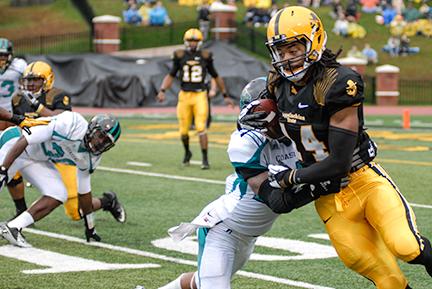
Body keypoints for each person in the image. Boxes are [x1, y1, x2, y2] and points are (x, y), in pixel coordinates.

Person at [239, 6, 432, 289]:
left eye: (294, 48)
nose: (288, 58)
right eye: (281, 51)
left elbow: (339, 162)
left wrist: (290, 178)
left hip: (363, 181)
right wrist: (251, 115)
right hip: (329, 197)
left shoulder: (337, 83)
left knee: (406, 246)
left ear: (314, 41)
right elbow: (263, 110)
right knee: (386, 278)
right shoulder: (277, 84)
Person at [157, 77, 329, 289]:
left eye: (265, 120)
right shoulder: (246, 141)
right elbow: (277, 202)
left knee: (200, 282)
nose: (264, 128)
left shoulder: (301, 134)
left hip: (248, 237)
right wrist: (318, 187)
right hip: (223, 230)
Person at [7, 61, 126, 224]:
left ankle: (107, 201)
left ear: (47, 80)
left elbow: (56, 119)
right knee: (11, 167)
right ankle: (20, 212)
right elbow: (15, 127)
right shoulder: (18, 100)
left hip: (64, 153)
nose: (31, 84)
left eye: (36, 79)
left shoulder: (57, 96)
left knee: (75, 211)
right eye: (28, 80)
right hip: (36, 150)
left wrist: (37, 106)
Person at [0, 111, 121, 247]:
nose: (100, 143)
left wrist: (90, 226)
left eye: (106, 142)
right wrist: (3, 168)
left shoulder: (92, 158)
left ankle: (13, 227)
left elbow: (84, 192)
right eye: (100, 136)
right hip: (15, 143)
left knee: (58, 193)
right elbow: (26, 139)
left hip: (36, 160)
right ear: (92, 128)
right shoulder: (72, 124)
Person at [157, 28, 234, 169]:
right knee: (183, 131)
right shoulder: (179, 55)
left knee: (201, 128)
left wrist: (225, 95)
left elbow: (216, 76)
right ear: (186, 42)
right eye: (190, 41)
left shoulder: (206, 56)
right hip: (184, 95)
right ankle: (187, 153)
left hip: (200, 95)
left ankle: (205, 159)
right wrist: (162, 90)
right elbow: (171, 75)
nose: (192, 44)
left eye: (195, 41)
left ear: (200, 42)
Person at [0, 38, 27, 131]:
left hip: (13, 109)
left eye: (5, 55)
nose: (2, 58)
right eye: (0, 55)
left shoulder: (19, 65)